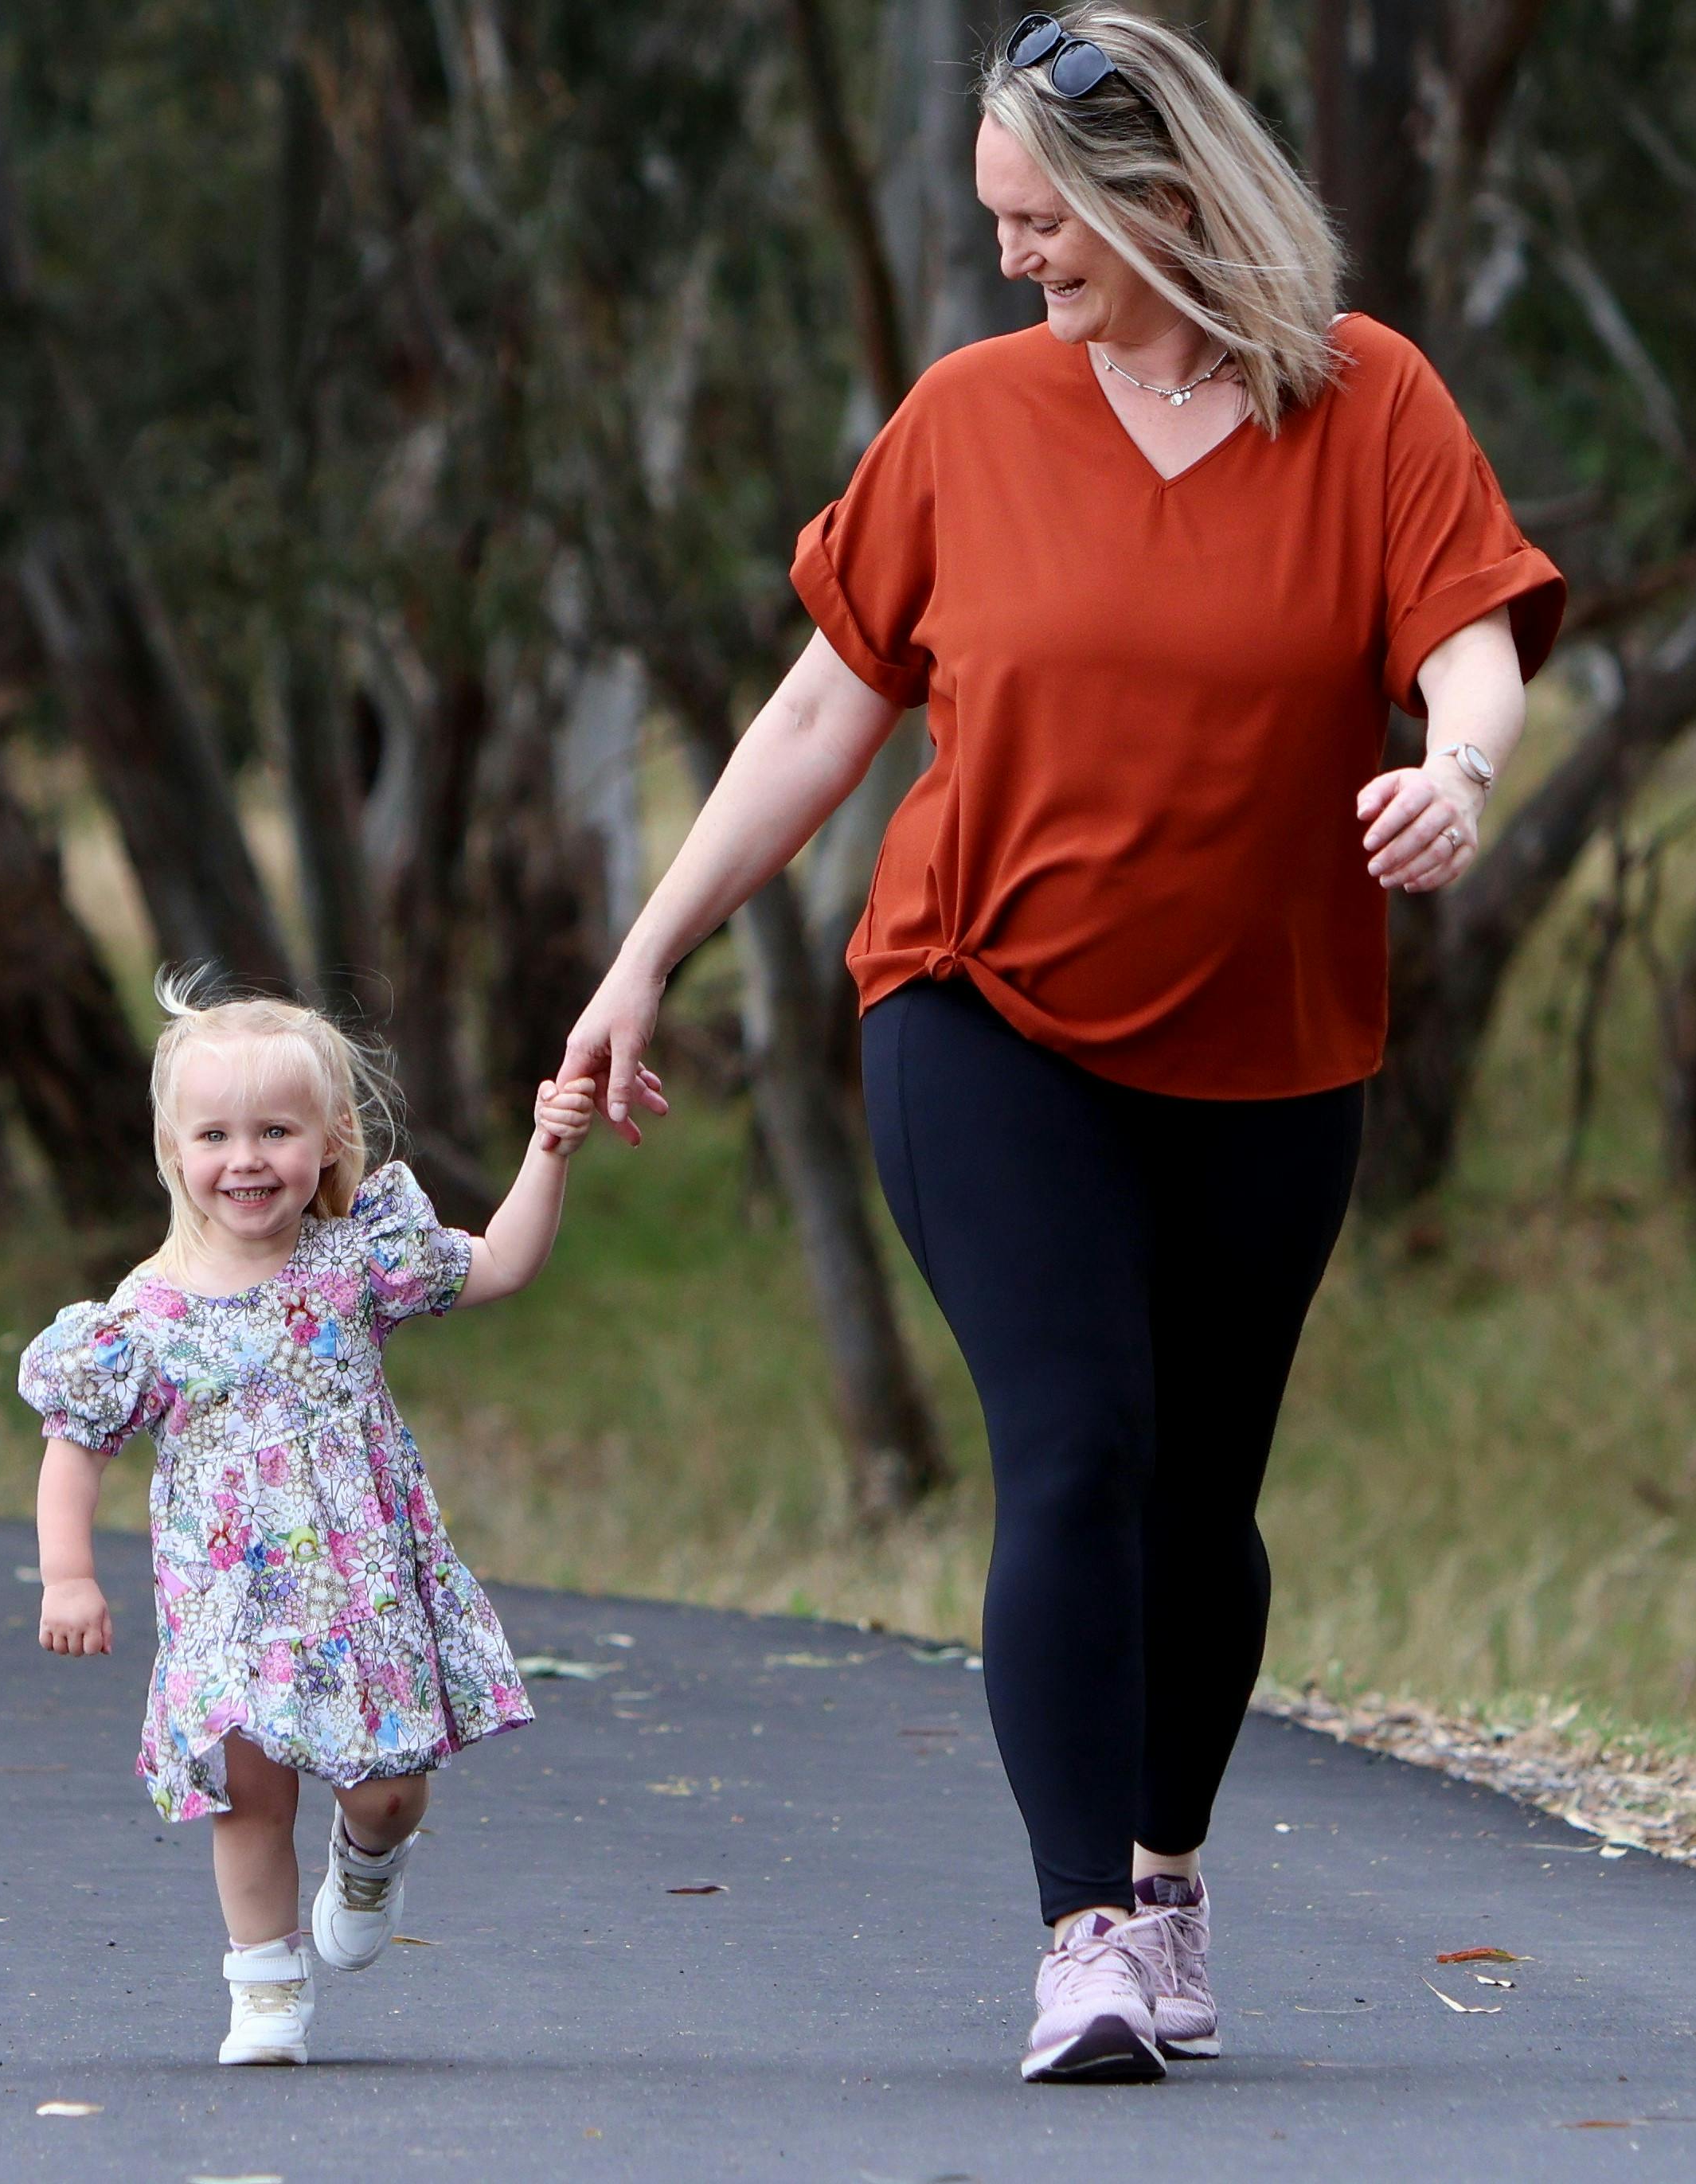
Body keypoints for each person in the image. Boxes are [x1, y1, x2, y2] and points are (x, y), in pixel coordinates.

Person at [551, 4, 1564, 2086]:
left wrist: (1461, 771)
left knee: (1203, 1496)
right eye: (1001, 219)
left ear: (1166, 198)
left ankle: (1171, 1878)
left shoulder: (1367, 404)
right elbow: (828, 709)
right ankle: (1080, 1937)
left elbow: (1467, 634)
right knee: (1082, 1444)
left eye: (1047, 223)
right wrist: (650, 949)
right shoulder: (969, 418)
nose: (1016, 258)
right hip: (979, 1001)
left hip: (1275, 1036)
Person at [14, 979, 604, 2066]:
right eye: (217, 1135)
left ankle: (371, 1856)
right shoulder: (145, 1313)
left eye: (276, 1132)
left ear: (330, 1141)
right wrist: (68, 1575)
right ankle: (266, 1989)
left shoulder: (354, 1262)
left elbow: (506, 1262)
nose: (246, 1158)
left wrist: (548, 1150)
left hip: (360, 1585)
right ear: (174, 1149)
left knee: (387, 1790)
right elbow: (75, 1450)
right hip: (228, 1598)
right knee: (246, 1786)